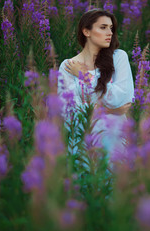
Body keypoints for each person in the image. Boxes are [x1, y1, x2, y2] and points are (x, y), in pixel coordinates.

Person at [57, 9, 134, 159]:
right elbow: (67, 113)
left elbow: (121, 99)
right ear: (86, 31)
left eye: (111, 28)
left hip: (115, 141)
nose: (110, 33)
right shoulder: (68, 66)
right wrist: (111, 111)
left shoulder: (119, 58)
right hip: (82, 143)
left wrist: (85, 76)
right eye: (103, 27)